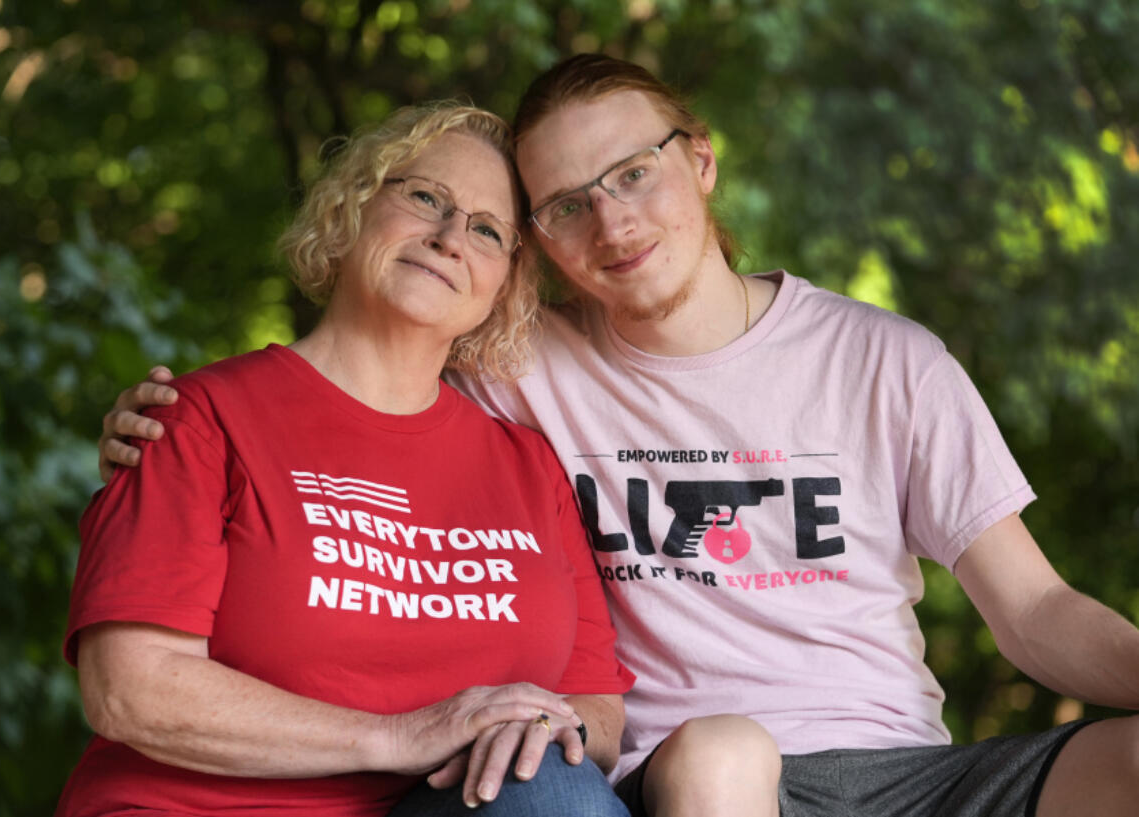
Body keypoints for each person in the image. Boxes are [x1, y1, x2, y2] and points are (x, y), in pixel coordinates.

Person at [99, 55, 1139, 817]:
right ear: (539, 250)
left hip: (911, 771)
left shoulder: (884, 358)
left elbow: (1034, 609)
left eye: (633, 173)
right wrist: (165, 421)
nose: (611, 221)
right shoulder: (521, 368)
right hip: (693, 775)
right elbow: (353, 380)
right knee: (722, 754)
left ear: (698, 162)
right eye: (562, 205)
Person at [58, 100, 636, 817]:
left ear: (505, 286)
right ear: (354, 207)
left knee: (557, 794)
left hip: (454, 808)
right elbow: (127, 689)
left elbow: (597, 709)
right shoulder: (200, 419)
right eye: (426, 197)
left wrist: (541, 728)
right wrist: (395, 736)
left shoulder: (529, 465)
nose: (451, 237)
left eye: (487, 230)